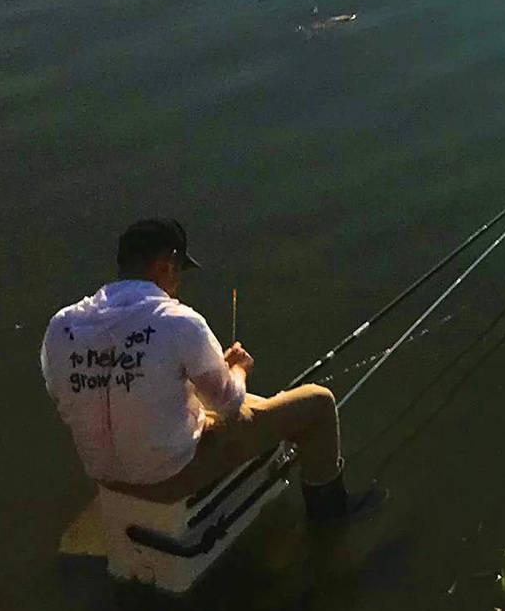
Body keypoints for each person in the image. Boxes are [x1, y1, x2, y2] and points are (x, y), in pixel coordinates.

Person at [40, 218, 380, 523]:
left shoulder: (62, 324)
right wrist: (238, 369)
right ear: (166, 264)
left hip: (102, 473)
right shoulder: (178, 321)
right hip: (167, 477)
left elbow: (61, 392)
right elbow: (228, 403)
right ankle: (331, 514)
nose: (177, 282)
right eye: (178, 270)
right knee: (317, 402)